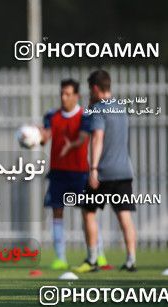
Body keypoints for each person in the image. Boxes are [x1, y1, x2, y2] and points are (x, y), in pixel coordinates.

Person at [39, 79, 109, 270]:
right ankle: (60, 258)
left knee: (89, 214)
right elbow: (45, 137)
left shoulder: (85, 116)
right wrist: (37, 136)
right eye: (62, 93)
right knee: (57, 214)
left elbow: (83, 138)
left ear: (76, 96)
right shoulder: (51, 116)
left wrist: (71, 145)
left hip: (80, 174)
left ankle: (99, 255)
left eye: (68, 94)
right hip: (58, 174)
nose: (64, 97)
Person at [74, 70, 137, 273]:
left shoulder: (99, 110)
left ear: (94, 88)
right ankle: (131, 261)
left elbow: (98, 139)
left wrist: (93, 169)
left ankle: (92, 259)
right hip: (124, 171)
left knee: (88, 212)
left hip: (103, 172)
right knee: (124, 216)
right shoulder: (121, 108)